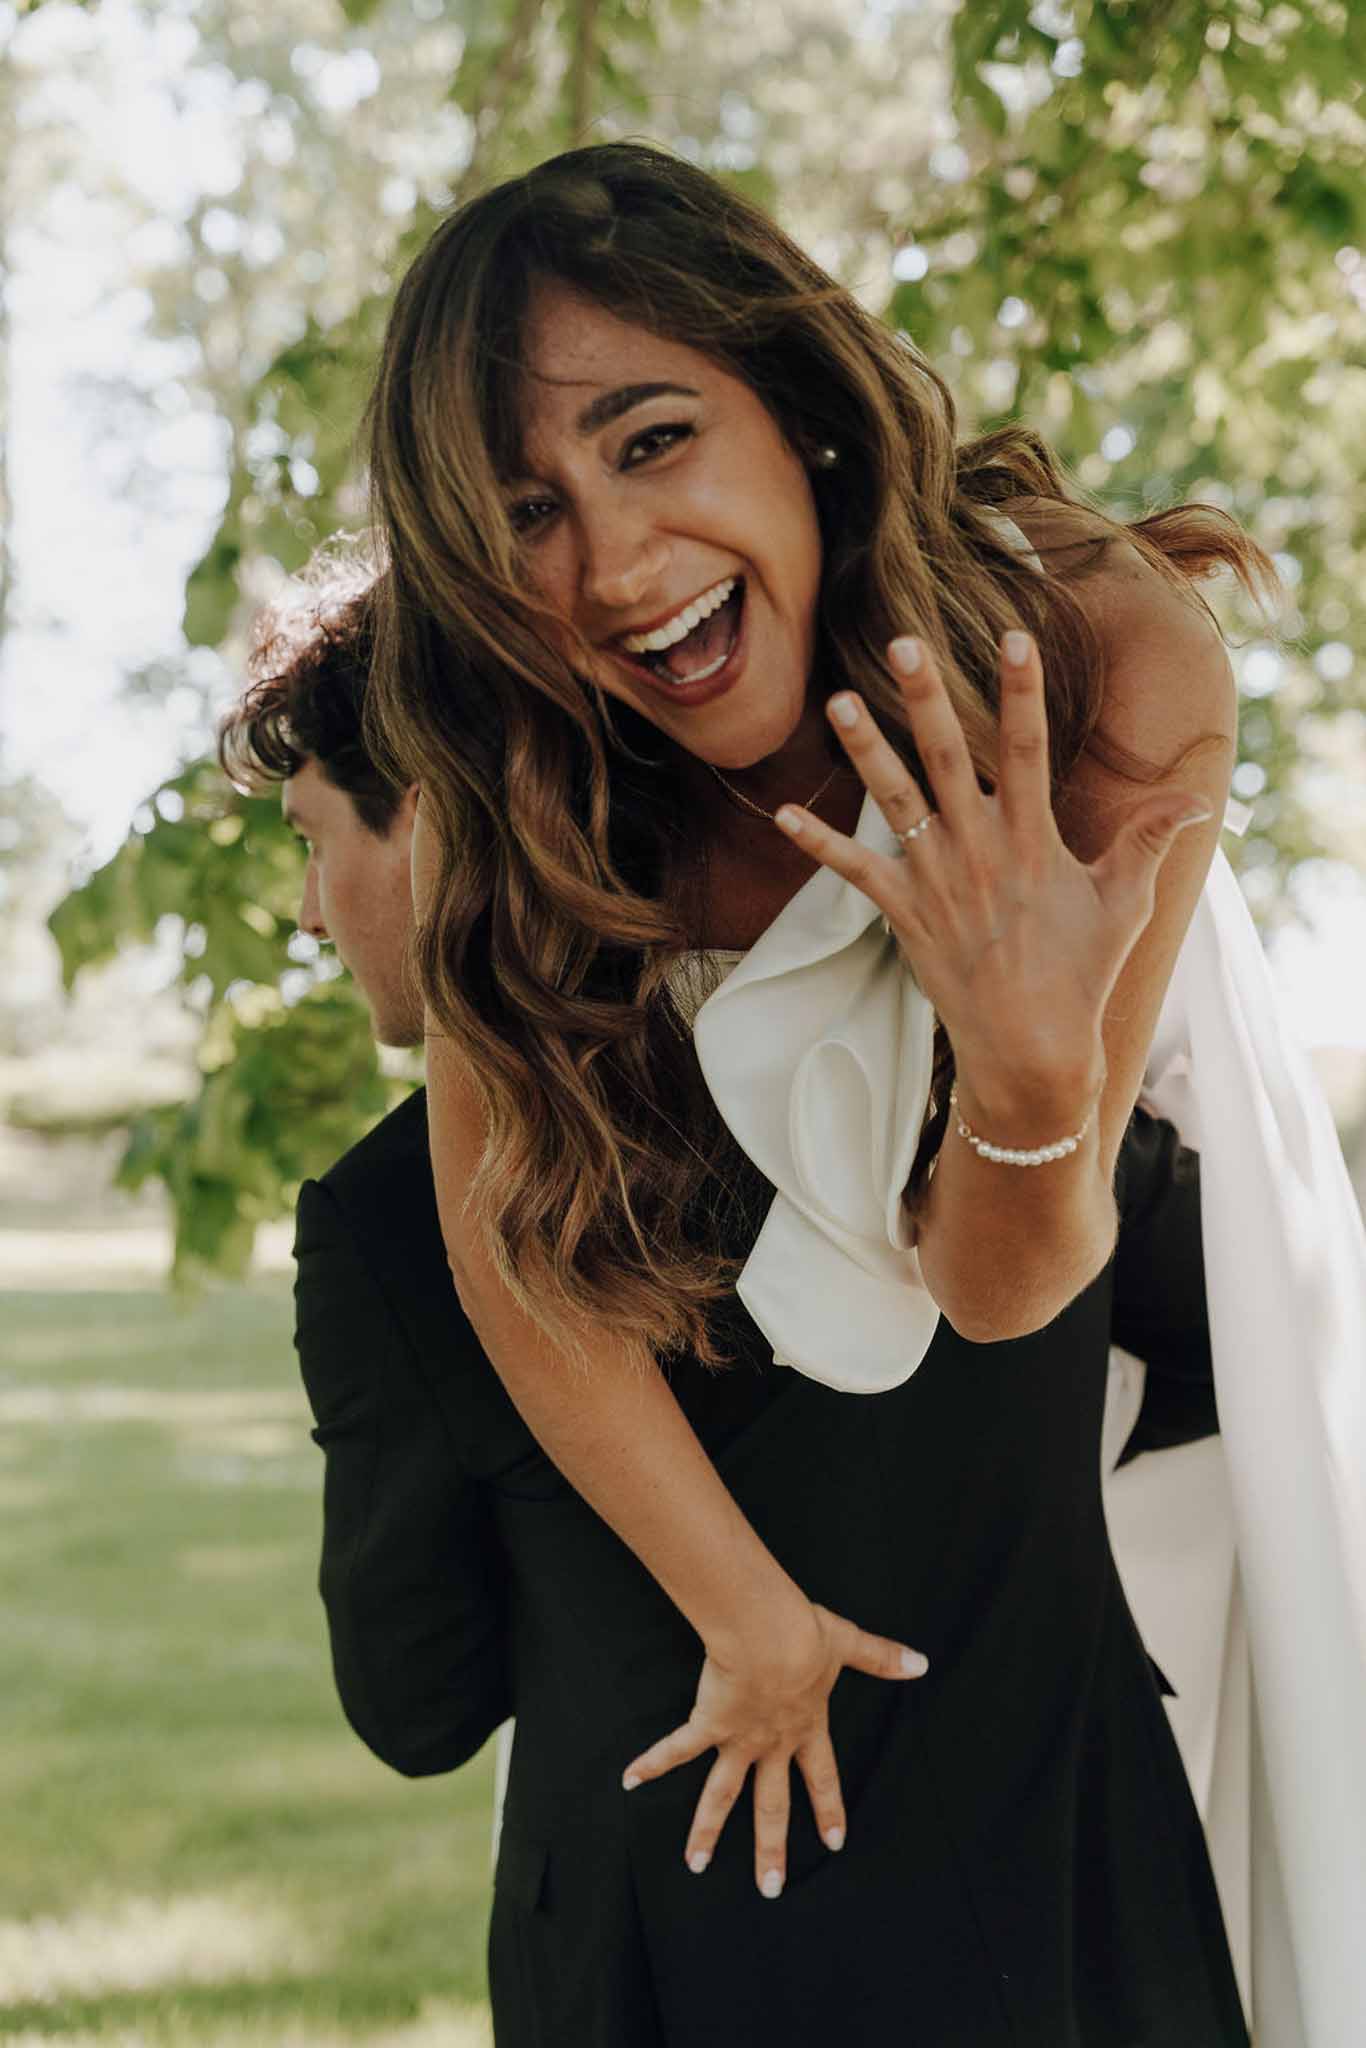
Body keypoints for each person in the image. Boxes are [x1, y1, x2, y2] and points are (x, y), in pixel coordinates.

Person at [219, 563, 1238, 2046]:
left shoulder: (385, 1218)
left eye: (316, 842)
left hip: (677, 1941)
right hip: (1066, 1900)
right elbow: (1225, 1362)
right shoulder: (1011, 1090)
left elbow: (415, 1698)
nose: (313, 914)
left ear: (439, 817)